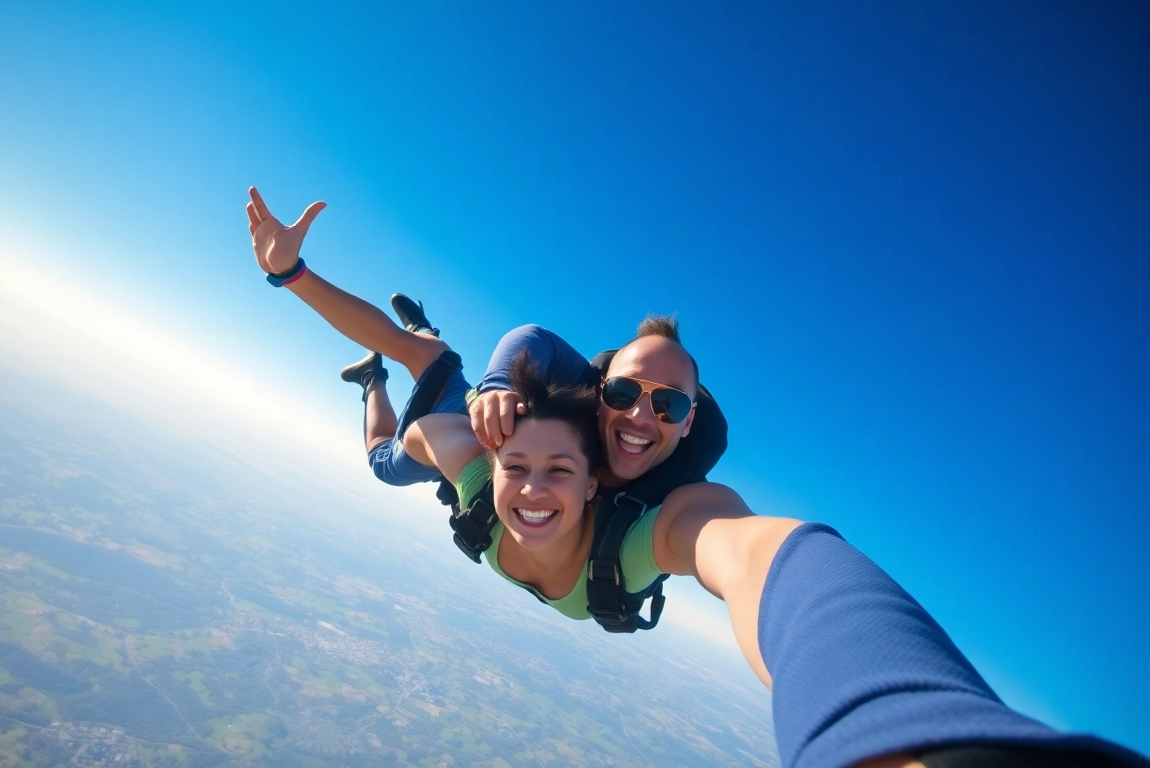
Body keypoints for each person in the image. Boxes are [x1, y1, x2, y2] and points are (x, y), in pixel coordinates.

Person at [247, 187, 1148, 768]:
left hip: (498, 428)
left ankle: (392, 376)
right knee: (392, 438)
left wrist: (909, 729)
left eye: (670, 408)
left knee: (417, 403)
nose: (644, 416)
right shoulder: (496, 453)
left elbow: (759, 555)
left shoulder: (645, 528)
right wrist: (294, 275)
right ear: (599, 392)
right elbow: (467, 358)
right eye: (629, 394)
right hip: (467, 409)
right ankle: (384, 381)